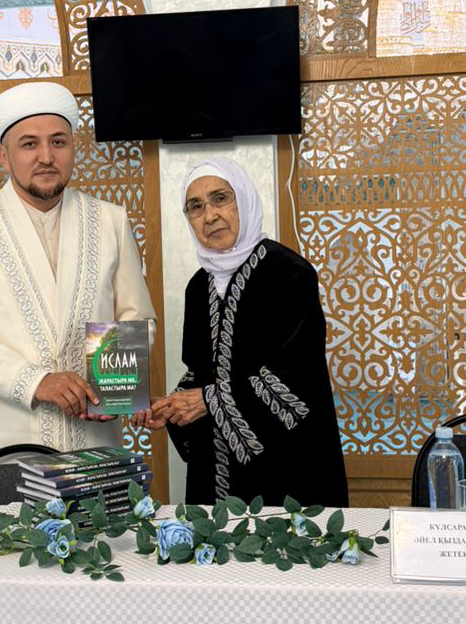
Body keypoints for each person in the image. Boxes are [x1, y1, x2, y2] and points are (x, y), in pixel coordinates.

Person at [0, 81, 156, 485]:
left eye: (58, 142)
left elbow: (135, 316)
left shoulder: (109, 220)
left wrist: (111, 388)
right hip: (1, 446)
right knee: (2, 527)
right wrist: (36, 382)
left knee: (96, 527)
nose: (46, 157)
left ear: (73, 149)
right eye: (29, 144)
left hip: (92, 444)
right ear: (4, 155)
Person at [143, 157, 347, 507]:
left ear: (245, 199)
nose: (210, 216)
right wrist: (173, 406)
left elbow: (297, 377)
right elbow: (199, 371)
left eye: (221, 198)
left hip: (288, 469)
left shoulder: (289, 274)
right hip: (215, 468)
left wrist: (209, 400)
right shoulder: (198, 286)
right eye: (196, 207)